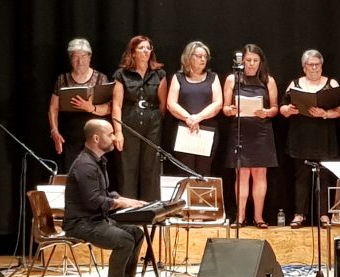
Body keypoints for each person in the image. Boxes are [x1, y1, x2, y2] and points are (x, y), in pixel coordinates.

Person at [63, 119, 147, 277]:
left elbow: (105, 193)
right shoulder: (85, 165)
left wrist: (127, 201)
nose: (114, 137)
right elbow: (94, 202)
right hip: (81, 224)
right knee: (124, 240)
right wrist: (122, 204)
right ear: (96, 138)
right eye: (110, 134)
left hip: (97, 220)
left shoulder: (97, 161)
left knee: (136, 233)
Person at [280, 49, 340, 228]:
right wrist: (287, 110)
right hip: (301, 137)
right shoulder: (295, 84)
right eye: (311, 65)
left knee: (325, 177)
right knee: (301, 177)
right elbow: (283, 107)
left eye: (318, 65)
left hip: (324, 137)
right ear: (304, 67)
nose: (315, 68)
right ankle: (299, 214)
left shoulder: (331, 83)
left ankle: (324, 215)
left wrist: (325, 113)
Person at [222, 43, 279, 229]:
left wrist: (267, 112)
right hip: (240, 130)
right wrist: (230, 110)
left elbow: (275, 108)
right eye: (248, 60)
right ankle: (240, 217)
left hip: (261, 131)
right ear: (242, 61)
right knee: (242, 174)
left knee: (260, 173)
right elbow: (224, 107)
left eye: (255, 60)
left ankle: (259, 217)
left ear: (261, 62)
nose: (252, 64)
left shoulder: (268, 80)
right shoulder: (232, 78)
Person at [111, 35, 168, 201]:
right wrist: (118, 131)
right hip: (128, 125)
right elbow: (116, 105)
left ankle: (150, 210)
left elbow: (162, 105)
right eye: (141, 48)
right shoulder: (121, 74)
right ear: (133, 52)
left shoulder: (159, 74)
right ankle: (128, 212)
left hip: (152, 126)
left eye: (148, 48)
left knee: (150, 168)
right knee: (127, 169)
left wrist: (155, 121)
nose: (146, 51)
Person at [48, 38, 111, 169]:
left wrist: (90, 108)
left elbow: (109, 108)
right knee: (70, 172)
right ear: (70, 59)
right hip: (70, 134)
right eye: (75, 57)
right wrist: (54, 131)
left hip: (94, 134)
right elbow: (53, 108)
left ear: (90, 57)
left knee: (93, 172)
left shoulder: (100, 78)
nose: (80, 61)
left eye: (83, 56)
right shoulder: (62, 79)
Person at [166, 40, 222, 177]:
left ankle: (201, 199)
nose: (203, 59)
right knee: (185, 170)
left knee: (204, 170)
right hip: (185, 129)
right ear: (188, 57)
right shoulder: (178, 77)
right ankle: (185, 199)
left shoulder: (212, 77)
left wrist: (198, 118)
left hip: (207, 130)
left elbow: (218, 103)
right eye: (199, 56)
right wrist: (188, 118)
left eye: (205, 56)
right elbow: (171, 104)